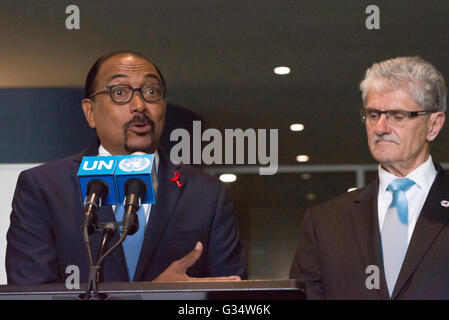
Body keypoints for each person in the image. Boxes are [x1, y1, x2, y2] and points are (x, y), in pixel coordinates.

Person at [6, 51, 246, 284]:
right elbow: (31, 293)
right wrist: (153, 297)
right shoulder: (44, 188)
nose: (139, 105)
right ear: (90, 112)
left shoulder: (207, 194)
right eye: (120, 92)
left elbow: (232, 298)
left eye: (151, 91)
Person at [290, 56, 448, 299]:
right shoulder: (324, 223)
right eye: (374, 115)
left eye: (397, 115)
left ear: (434, 125)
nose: (381, 128)